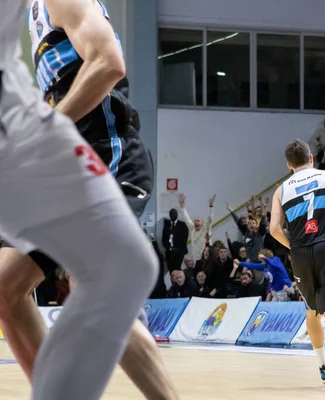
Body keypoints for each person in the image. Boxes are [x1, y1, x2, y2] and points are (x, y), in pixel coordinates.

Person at [0, 0, 178, 399]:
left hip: (105, 150)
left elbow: (110, 64)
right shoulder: (31, 18)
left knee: (97, 285)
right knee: (6, 285)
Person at [270, 139, 325, 393]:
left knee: (312, 311)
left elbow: (274, 229)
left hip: (300, 253)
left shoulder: (281, 190)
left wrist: (295, 247)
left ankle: (323, 365)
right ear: (311, 158)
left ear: (289, 165)